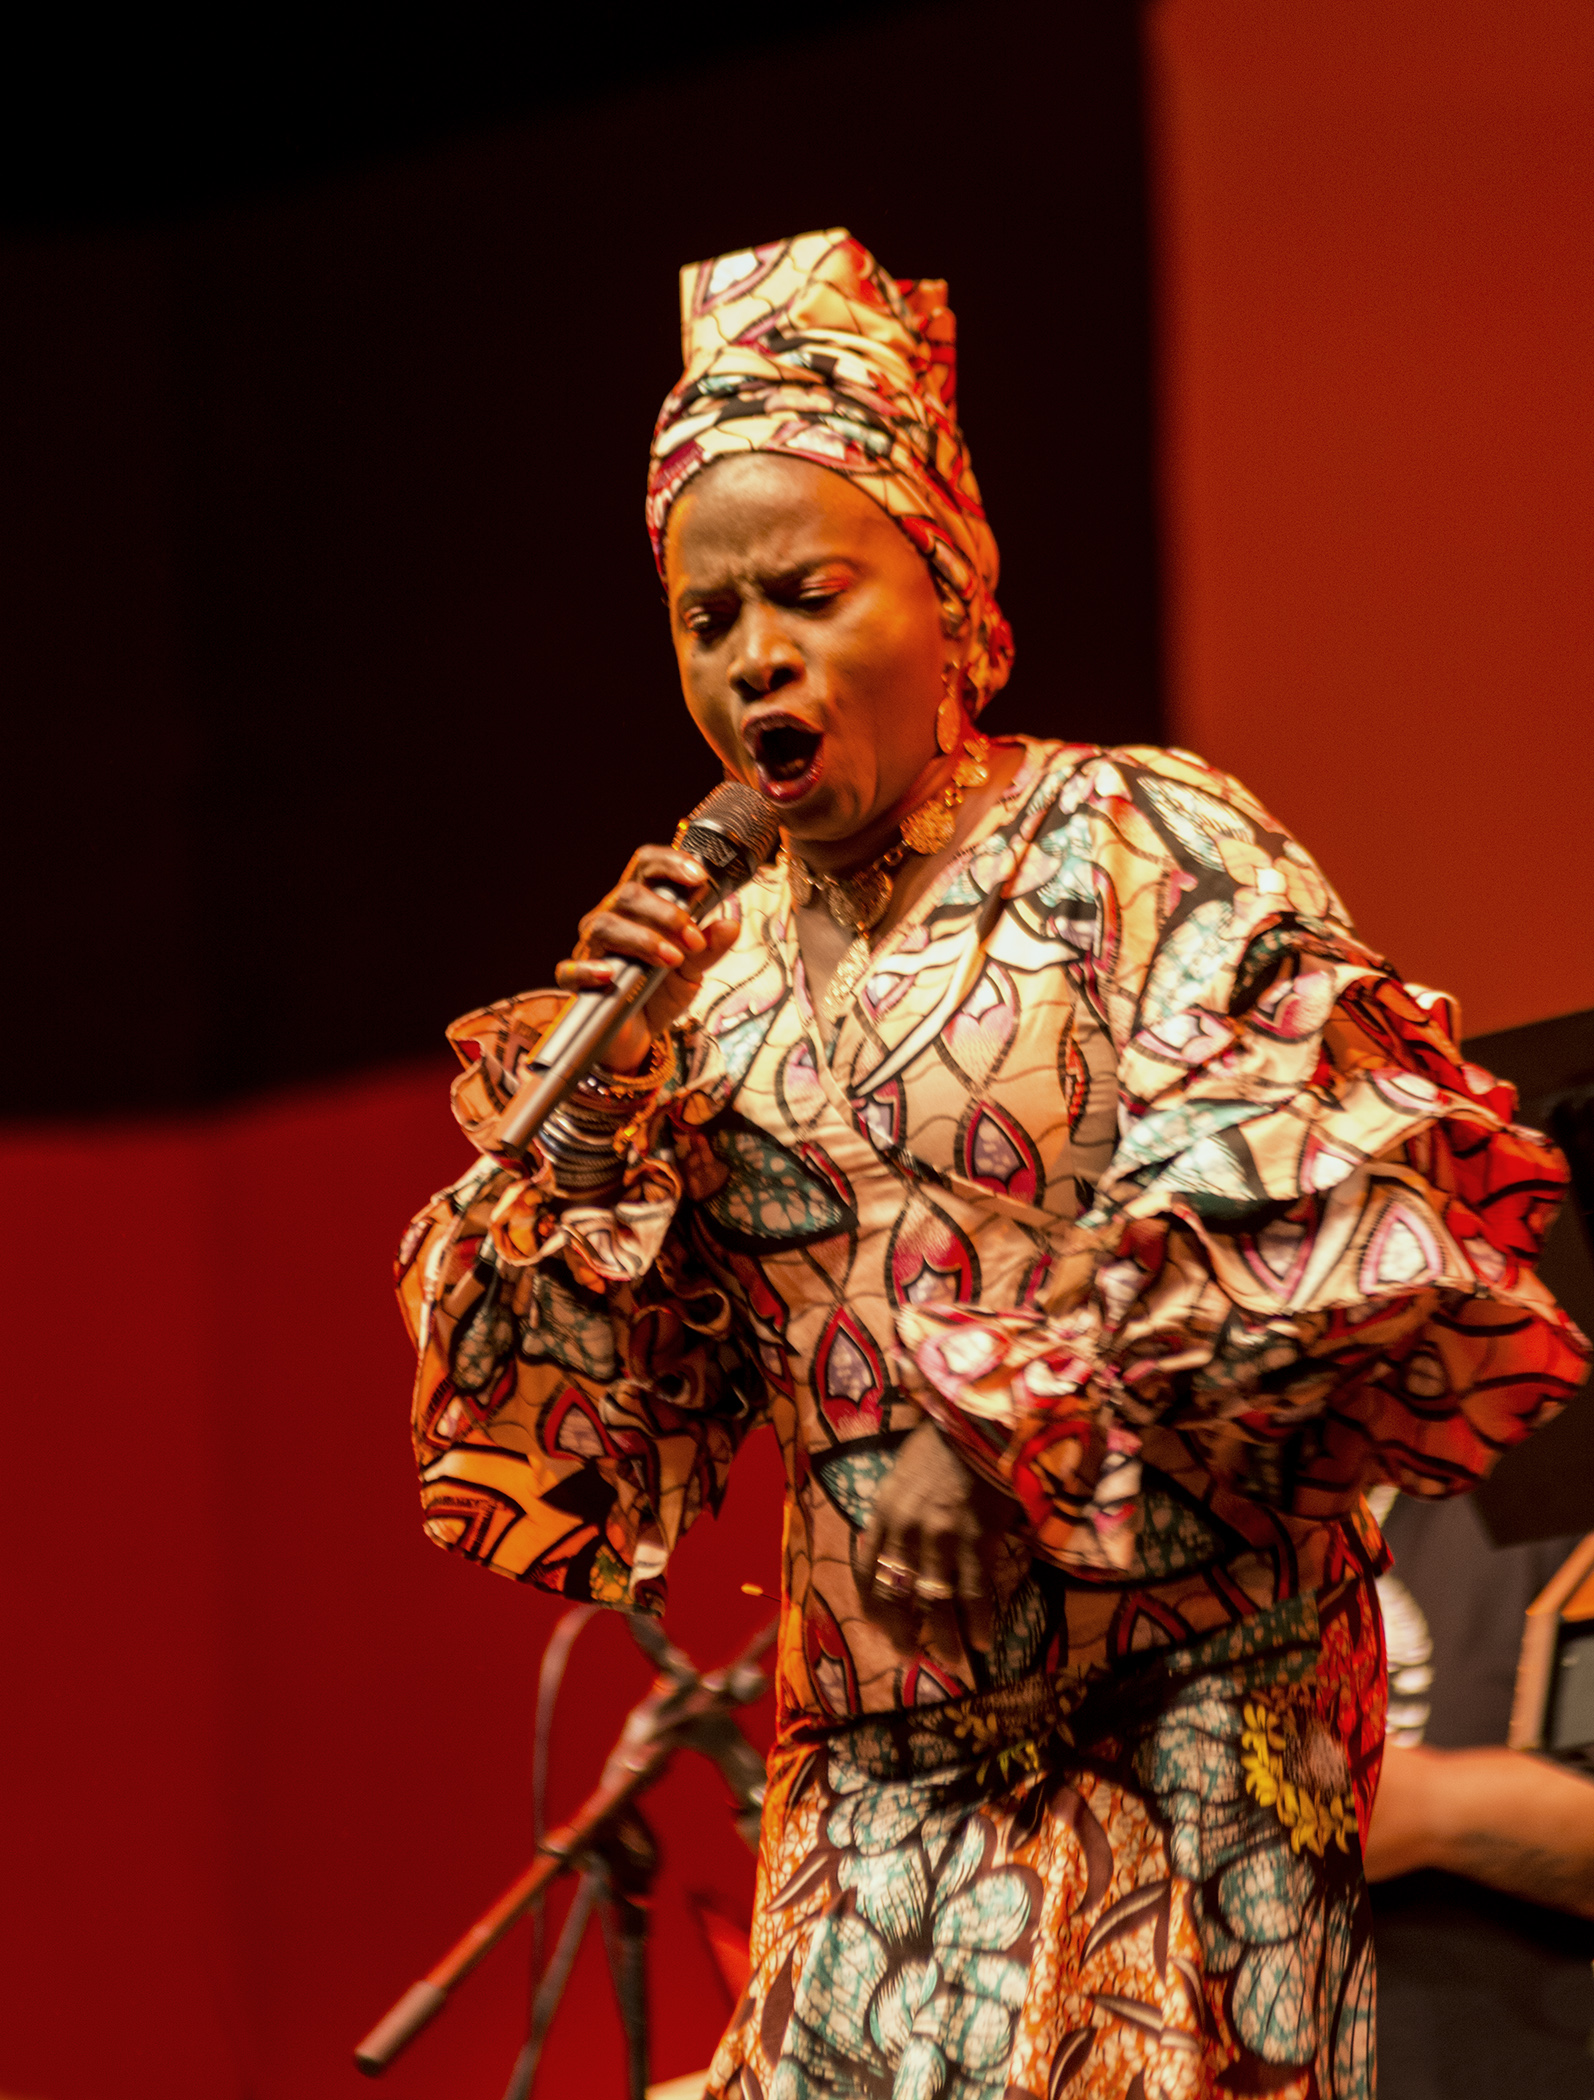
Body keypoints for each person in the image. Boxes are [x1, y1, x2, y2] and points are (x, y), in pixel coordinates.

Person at [396, 229, 1589, 2100]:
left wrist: (1012, 1411)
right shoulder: (698, 981)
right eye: (708, 623)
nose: (753, 658)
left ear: (945, 587)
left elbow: (1331, 1223)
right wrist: (607, 1112)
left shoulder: (1134, 845)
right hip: (871, 1785)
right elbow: (583, 1441)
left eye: (804, 592)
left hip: (1182, 1739)